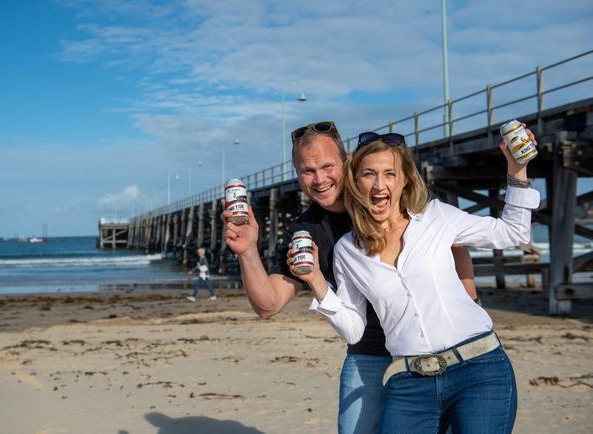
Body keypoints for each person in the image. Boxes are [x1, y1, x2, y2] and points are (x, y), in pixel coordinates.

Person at [222, 121, 478, 433]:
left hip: (434, 351)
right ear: (296, 172)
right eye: (308, 171)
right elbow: (268, 304)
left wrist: (470, 296)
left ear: (346, 159)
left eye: (327, 166)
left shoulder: (388, 193)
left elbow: (454, 238)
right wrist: (247, 250)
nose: (319, 179)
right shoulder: (307, 231)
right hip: (369, 354)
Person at [301, 129, 539, 433]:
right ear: (355, 182)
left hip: (479, 371)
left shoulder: (436, 217)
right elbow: (353, 330)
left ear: (404, 181)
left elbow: (513, 232)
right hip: (409, 382)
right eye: (368, 174)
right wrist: (317, 282)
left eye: (389, 174)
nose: (379, 185)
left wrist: (517, 169)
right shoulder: (347, 250)